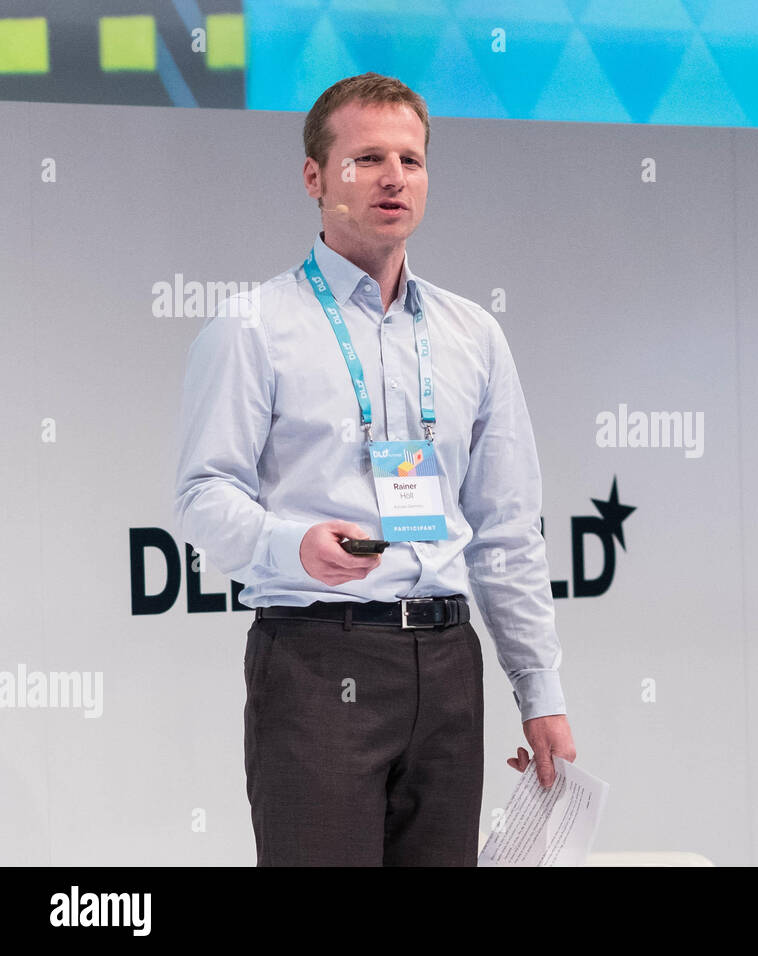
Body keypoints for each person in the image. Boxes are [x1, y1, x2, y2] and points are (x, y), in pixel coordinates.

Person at [174, 72, 575, 866]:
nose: (394, 177)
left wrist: (541, 692)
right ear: (315, 178)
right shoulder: (254, 327)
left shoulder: (474, 334)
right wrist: (292, 544)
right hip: (323, 658)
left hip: (450, 664)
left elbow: (504, 532)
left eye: (411, 159)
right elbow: (201, 495)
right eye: (366, 159)